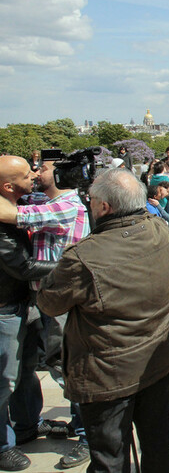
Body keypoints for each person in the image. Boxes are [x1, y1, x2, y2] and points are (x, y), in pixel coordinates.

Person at [37, 168, 169, 473]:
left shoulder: (84, 257)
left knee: (109, 456)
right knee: (156, 438)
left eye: (92, 202)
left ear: (104, 208)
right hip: (157, 358)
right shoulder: (160, 230)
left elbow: (49, 303)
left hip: (108, 373)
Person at [0, 156, 91, 469]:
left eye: (41, 170)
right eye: (29, 172)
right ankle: (25, 426)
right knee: (24, 370)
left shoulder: (65, 205)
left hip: (59, 303)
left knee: (68, 371)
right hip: (39, 301)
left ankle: (87, 435)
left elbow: (15, 213)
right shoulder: (45, 198)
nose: (36, 173)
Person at [0, 157, 56, 471]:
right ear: (8, 186)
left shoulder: (15, 206)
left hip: (20, 304)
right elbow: (24, 267)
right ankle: (3, 445)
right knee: (4, 382)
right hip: (6, 310)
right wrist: (70, 265)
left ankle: (26, 425)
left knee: (25, 372)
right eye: (26, 174)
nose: (34, 175)